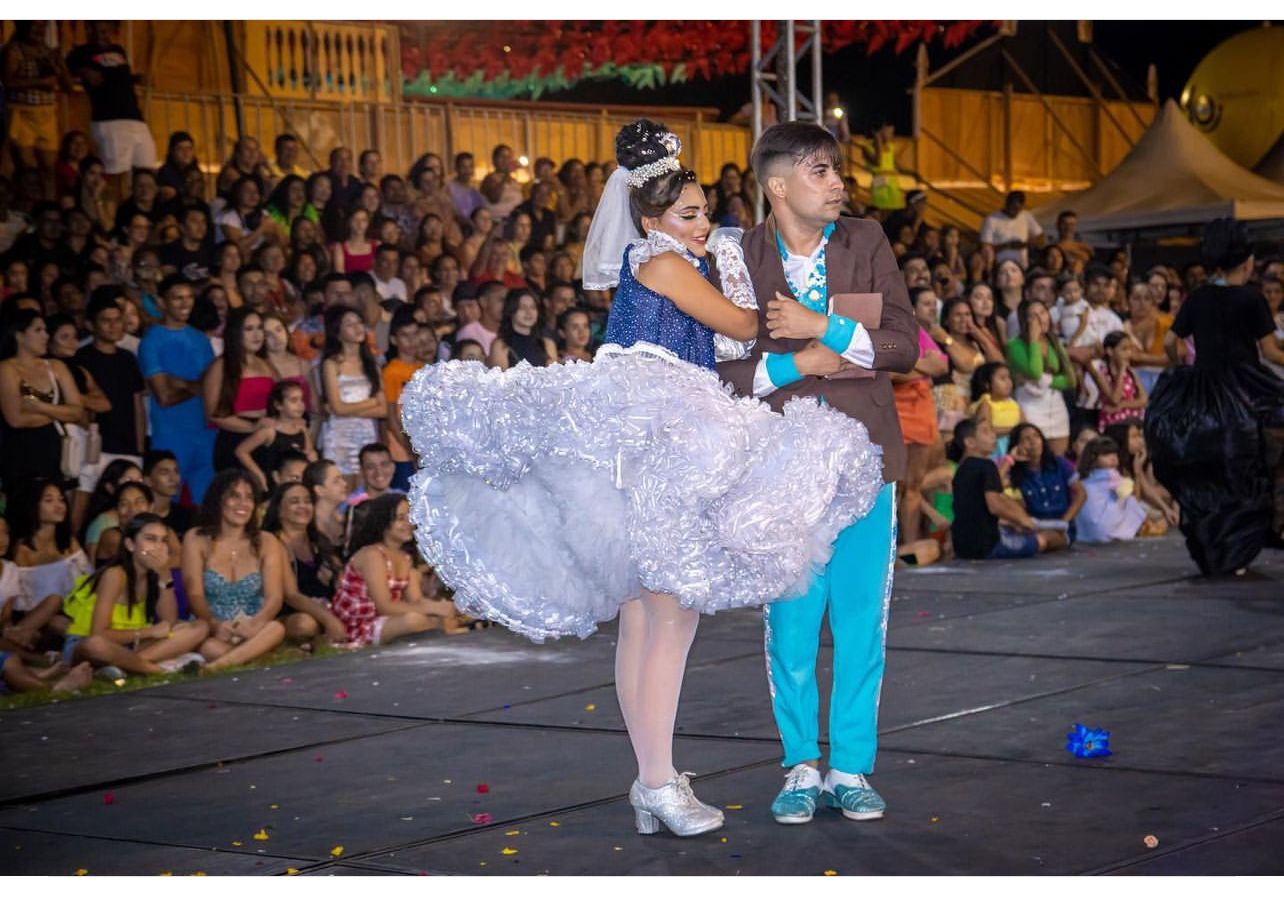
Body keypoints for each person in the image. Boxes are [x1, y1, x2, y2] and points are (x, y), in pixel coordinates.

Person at [403, 120, 885, 838]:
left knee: (644, 617)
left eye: (705, 212)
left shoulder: (666, 258)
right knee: (670, 616)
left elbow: (724, 340)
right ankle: (658, 783)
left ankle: (651, 779)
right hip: (658, 436)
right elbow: (740, 326)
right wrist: (764, 286)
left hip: (655, 434)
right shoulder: (661, 261)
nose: (704, 225)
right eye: (689, 215)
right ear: (652, 220)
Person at [711, 121, 918, 829]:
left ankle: (851, 767)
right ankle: (801, 764)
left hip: (868, 459)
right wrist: (797, 362)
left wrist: (822, 327)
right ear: (778, 184)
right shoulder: (739, 255)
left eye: (836, 170)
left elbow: (904, 345)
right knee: (792, 624)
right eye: (820, 171)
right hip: (779, 469)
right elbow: (722, 373)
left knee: (861, 620)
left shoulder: (867, 240)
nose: (838, 183)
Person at [1146, 218, 1284, 574]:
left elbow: (1171, 342)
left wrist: (1183, 367)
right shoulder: (1251, 298)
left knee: (1215, 473)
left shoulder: (1198, 297)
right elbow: (1270, 351)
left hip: (1204, 393)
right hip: (1246, 388)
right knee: (1256, 464)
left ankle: (1220, 550)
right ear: (1247, 262)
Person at [61, 512, 208, 675]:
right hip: (89, 644)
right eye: (151, 539)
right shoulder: (115, 575)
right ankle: (154, 669)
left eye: (164, 540)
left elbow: (169, 622)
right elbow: (98, 634)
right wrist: (149, 632)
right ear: (130, 545)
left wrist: (164, 572)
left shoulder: (155, 574)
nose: (159, 546)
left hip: (131, 645)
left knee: (199, 627)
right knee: (96, 645)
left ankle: (126, 665)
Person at [181, 469, 287, 669]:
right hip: (215, 629)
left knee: (276, 628)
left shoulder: (266, 541)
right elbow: (195, 594)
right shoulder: (195, 538)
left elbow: (274, 597)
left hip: (254, 629)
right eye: (234, 496)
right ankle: (254, 659)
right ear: (218, 500)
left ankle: (215, 667)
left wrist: (256, 623)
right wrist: (215, 624)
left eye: (249, 497)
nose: (243, 504)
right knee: (210, 648)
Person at [138, 276, 216, 501]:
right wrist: (195, 386)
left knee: (207, 503)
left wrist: (181, 383)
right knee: (165, 501)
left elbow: (211, 386)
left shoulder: (200, 339)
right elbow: (164, 397)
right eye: (177, 298)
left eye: (189, 297)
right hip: (171, 436)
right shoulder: (152, 341)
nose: (185, 304)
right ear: (162, 302)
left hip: (206, 434)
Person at [948, 418, 1067, 559]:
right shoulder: (986, 466)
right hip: (988, 545)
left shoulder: (961, 469)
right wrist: (1024, 521)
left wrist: (1010, 459)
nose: (993, 435)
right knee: (1051, 538)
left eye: (992, 430)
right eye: (986, 432)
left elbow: (988, 497)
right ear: (970, 442)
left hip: (962, 546)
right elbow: (995, 504)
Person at [0, 309, 85, 493]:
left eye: (45, 330)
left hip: (56, 452)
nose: (46, 336)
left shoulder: (56, 366)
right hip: (20, 454)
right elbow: (16, 419)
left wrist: (40, 407)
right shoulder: (6, 369)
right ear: (19, 335)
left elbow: (78, 412)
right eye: (38, 330)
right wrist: (60, 412)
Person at [262, 481, 347, 646]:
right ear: (278, 509)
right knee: (305, 624)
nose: (303, 506)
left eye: (307, 501)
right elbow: (291, 595)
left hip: (327, 608)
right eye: (294, 502)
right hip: (291, 614)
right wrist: (329, 619)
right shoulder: (273, 542)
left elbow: (341, 577)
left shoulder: (319, 540)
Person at [203, 308, 275, 472]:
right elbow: (214, 414)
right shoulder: (221, 366)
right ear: (235, 333)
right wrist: (252, 427)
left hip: (264, 440)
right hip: (235, 440)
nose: (257, 334)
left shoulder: (266, 364)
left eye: (259, 328)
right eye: (249, 329)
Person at [319, 306, 385, 483]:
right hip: (340, 437)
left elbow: (383, 409)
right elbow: (337, 408)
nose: (357, 328)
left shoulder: (372, 364)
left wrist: (346, 409)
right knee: (341, 487)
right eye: (350, 324)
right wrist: (372, 402)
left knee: (365, 488)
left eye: (359, 323)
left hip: (367, 435)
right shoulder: (331, 364)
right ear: (338, 333)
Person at [1006, 299, 1075, 456]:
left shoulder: (1054, 342)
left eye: (1043, 313)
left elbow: (1070, 380)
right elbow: (1035, 372)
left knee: (1058, 458)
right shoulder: (1014, 345)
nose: (1040, 319)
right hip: (1031, 406)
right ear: (1024, 320)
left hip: (1056, 404)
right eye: (1033, 316)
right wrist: (1033, 340)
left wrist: (1046, 381)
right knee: (1034, 456)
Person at [1008, 423, 1086, 540]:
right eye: (1026, 439)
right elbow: (994, 488)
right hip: (1033, 527)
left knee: (1042, 540)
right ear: (1017, 446)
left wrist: (1064, 521)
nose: (1033, 442)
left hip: (1062, 528)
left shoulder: (1059, 463)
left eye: (1036, 436)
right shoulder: (1015, 472)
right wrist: (1011, 459)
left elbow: (1081, 494)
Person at [235, 381, 316, 493]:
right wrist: (258, 473)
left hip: (294, 486)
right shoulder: (269, 431)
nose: (300, 405)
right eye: (294, 400)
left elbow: (309, 453)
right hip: (271, 488)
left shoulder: (302, 429)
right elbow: (241, 451)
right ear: (278, 405)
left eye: (301, 400)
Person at [1074, 436, 1153, 544]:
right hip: (1105, 531)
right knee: (1130, 500)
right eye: (1106, 455)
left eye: (1114, 454)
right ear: (1093, 459)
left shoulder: (1083, 478)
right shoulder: (1111, 475)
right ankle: (1143, 525)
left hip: (1085, 534)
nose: (1113, 458)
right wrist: (1137, 471)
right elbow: (1133, 495)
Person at [382, 306, 423, 491]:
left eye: (415, 334)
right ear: (394, 340)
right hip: (401, 450)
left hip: (423, 448)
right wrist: (410, 450)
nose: (411, 340)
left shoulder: (424, 368)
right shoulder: (391, 372)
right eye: (405, 335)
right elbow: (391, 417)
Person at [1086, 331, 1148, 432]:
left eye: (1130, 349)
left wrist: (1122, 405)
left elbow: (1144, 400)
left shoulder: (1131, 372)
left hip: (1134, 420)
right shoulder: (1102, 374)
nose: (1128, 353)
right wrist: (1121, 371)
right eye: (1124, 349)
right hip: (1113, 423)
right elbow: (1115, 399)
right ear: (1110, 351)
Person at [487, 288, 558, 369]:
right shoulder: (500, 345)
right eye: (522, 307)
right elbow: (500, 376)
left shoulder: (548, 344)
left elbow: (553, 374)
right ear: (511, 310)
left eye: (533, 307)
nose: (529, 312)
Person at [968, 362, 1023, 456]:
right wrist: (1013, 430)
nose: (1008, 382)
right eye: (1002, 378)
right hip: (995, 449)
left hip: (1014, 448)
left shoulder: (1014, 404)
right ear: (987, 384)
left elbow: (1024, 425)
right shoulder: (986, 404)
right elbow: (986, 430)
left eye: (1009, 377)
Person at [143, 449, 194, 536]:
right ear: (148, 480)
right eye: (164, 473)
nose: (173, 478)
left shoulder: (186, 516)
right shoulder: (141, 514)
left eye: (176, 472)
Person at [303, 459, 348, 550]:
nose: (345, 483)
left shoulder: (348, 519)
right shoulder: (307, 527)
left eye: (342, 478)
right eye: (336, 481)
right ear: (319, 490)